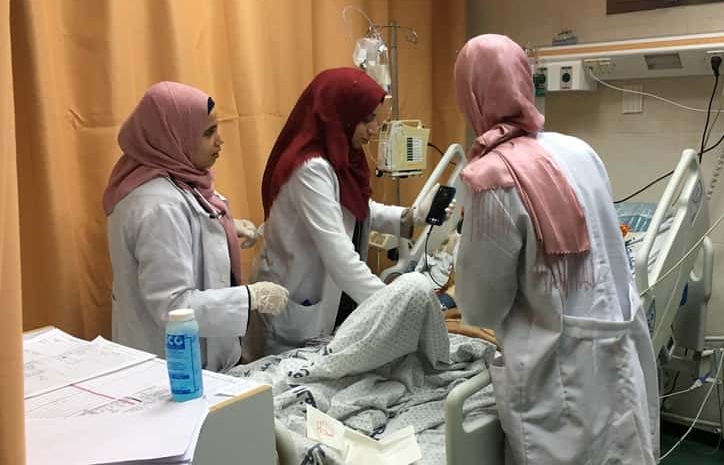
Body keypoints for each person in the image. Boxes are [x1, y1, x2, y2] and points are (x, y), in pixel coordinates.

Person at [453, 35, 659, 464]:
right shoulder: (579, 150)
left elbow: (482, 307)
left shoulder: (491, 178)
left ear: (470, 95)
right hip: (615, 351)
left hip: (557, 376)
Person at [254, 67, 447, 354]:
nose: (374, 129)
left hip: (327, 304)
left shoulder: (338, 156)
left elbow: (355, 207)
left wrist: (410, 216)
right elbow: (340, 257)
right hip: (295, 312)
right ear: (339, 115)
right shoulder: (310, 169)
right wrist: (396, 305)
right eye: (366, 119)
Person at [105, 81, 289, 372]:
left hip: (203, 359)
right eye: (208, 133)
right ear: (172, 136)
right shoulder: (159, 206)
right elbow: (173, 307)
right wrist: (250, 297)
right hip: (170, 367)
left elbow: (182, 235)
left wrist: (224, 228)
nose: (220, 141)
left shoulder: (178, 180)